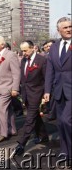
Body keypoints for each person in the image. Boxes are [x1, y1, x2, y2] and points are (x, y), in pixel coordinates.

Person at [11, 40, 49, 157]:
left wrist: (45, 94)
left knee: (29, 119)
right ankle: (43, 136)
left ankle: (22, 143)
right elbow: (23, 78)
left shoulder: (42, 60)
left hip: (37, 94)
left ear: (33, 48)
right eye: (22, 51)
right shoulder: (23, 60)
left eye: (25, 50)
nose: (23, 53)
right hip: (26, 94)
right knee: (35, 116)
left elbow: (46, 79)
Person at [44, 17, 72, 168]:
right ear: (59, 30)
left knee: (67, 121)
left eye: (70, 26)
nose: (69, 29)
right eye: (65, 27)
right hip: (59, 91)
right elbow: (50, 71)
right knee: (60, 123)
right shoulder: (54, 47)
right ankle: (64, 151)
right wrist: (47, 90)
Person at [0, 35, 21, 143]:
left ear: (2, 44)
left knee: (1, 110)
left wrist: (15, 88)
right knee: (9, 109)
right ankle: (12, 130)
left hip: (7, 88)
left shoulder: (11, 55)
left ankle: (2, 133)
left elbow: (16, 73)